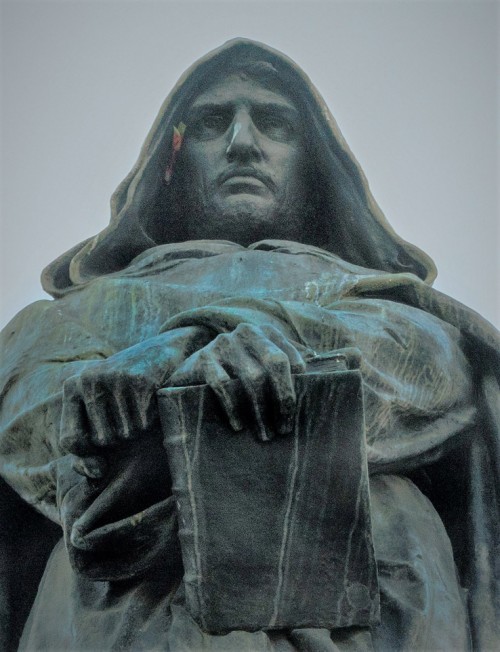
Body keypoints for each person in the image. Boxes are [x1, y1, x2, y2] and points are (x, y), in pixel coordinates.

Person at [0, 39, 498, 651]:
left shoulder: (388, 301)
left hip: (380, 608)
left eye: (275, 123)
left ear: (313, 161)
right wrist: (118, 409)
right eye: (212, 122)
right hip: (129, 617)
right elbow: (29, 422)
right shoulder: (76, 313)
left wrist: (205, 339)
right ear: (171, 160)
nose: (243, 142)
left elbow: (436, 371)